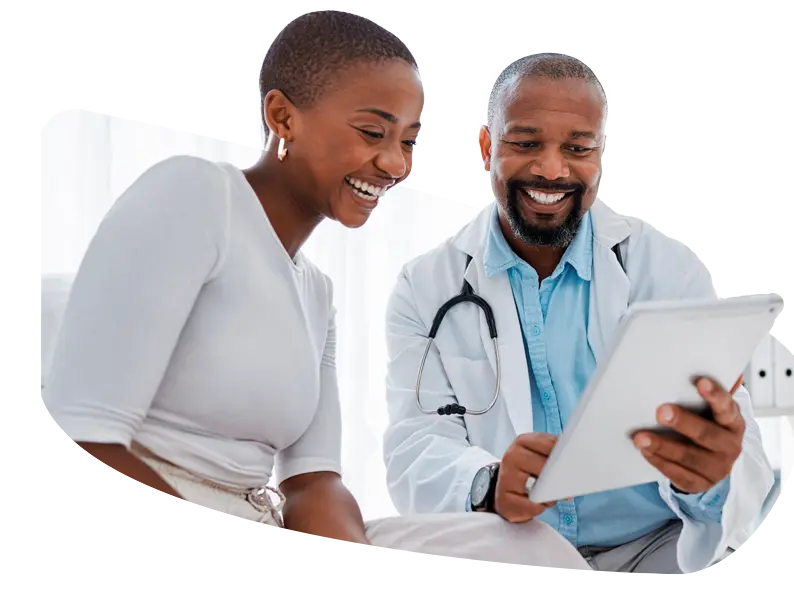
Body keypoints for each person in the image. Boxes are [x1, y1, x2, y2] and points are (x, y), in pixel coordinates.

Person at [40, 12, 591, 574]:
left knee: (534, 553)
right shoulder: (196, 195)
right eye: (372, 133)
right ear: (282, 116)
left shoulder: (316, 292)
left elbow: (312, 484)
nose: (395, 164)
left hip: (262, 528)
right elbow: (83, 437)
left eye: (408, 141)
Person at [382, 52, 775, 576]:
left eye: (578, 148)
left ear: (601, 154)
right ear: (486, 147)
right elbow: (415, 443)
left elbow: (733, 438)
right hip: (517, 552)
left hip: (658, 547)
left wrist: (707, 476)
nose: (551, 168)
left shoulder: (666, 269)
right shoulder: (425, 287)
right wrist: (487, 484)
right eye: (525, 143)